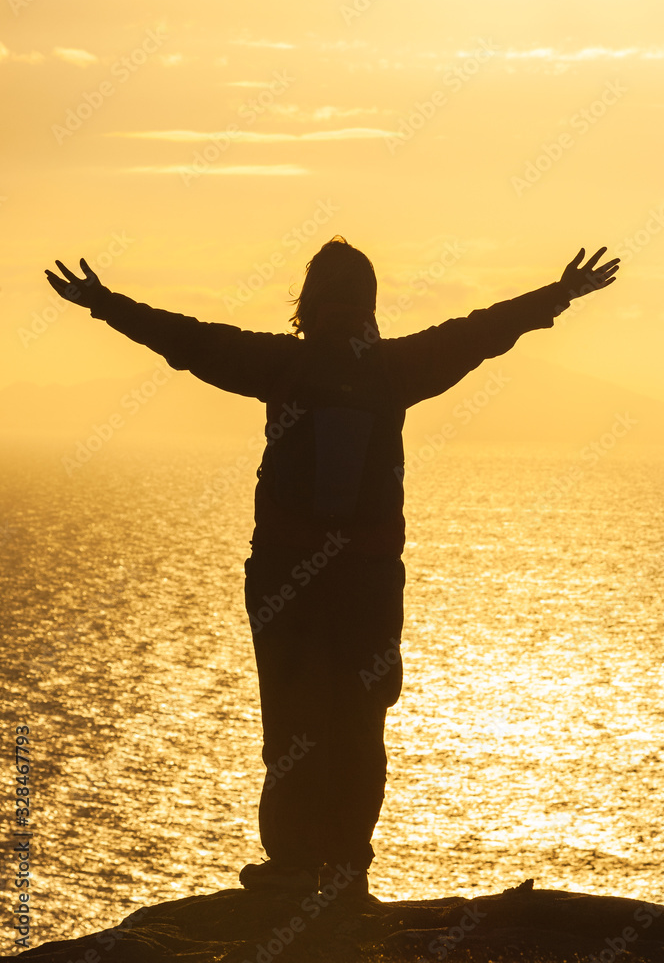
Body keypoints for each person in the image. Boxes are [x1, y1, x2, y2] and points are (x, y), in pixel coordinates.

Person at [45, 237, 620, 901]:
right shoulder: (393, 368)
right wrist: (559, 294)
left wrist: (102, 303)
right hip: (364, 587)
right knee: (355, 729)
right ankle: (341, 872)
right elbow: (482, 332)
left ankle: (297, 870)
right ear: (362, 306)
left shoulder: (285, 365)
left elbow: (187, 340)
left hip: (293, 585)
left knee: (295, 726)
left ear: (310, 304)